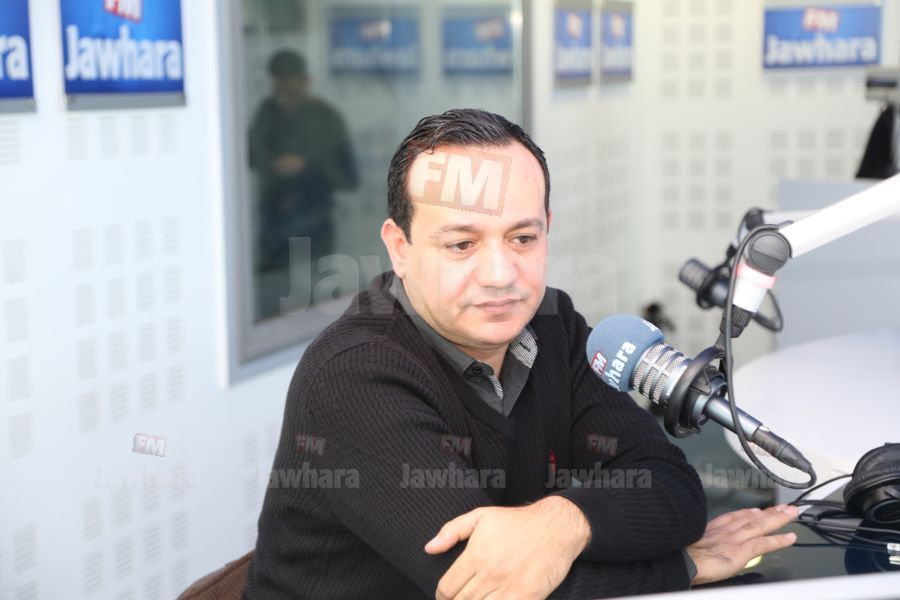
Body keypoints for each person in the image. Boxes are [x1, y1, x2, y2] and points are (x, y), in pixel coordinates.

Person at [244, 109, 799, 599]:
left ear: (547, 230)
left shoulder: (553, 327)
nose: (500, 274)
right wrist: (682, 567)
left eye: (522, 239)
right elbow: (494, 590)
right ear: (400, 248)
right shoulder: (354, 377)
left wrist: (563, 522)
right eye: (462, 244)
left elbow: (671, 487)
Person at [248, 49, 358, 320]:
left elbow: (349, 179)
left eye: (291, 85)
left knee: (319, 307)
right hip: (274, 231)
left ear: (305, 80)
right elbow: (250, 158)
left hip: (314, 226)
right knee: (271, 307)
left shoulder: (326, 118)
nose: (286, 95)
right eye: (280, 86)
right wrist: (274, 165)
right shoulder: (267, 113)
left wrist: (308, 165)